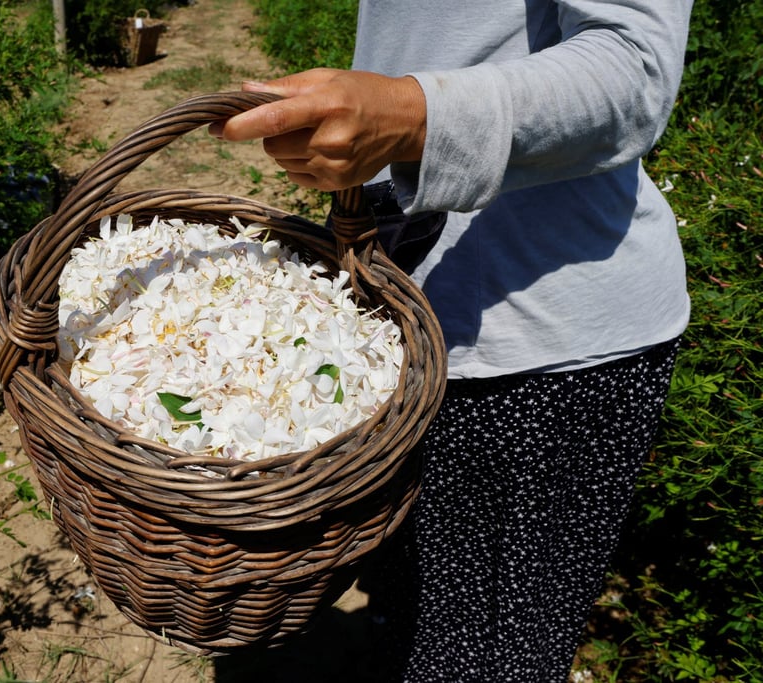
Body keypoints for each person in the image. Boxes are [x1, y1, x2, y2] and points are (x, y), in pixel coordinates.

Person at [209, 1, 693, 681]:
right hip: (411, 315)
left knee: (484, 660)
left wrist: (408, 116)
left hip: (537, 353)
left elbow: (636, 69)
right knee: (411, 621)